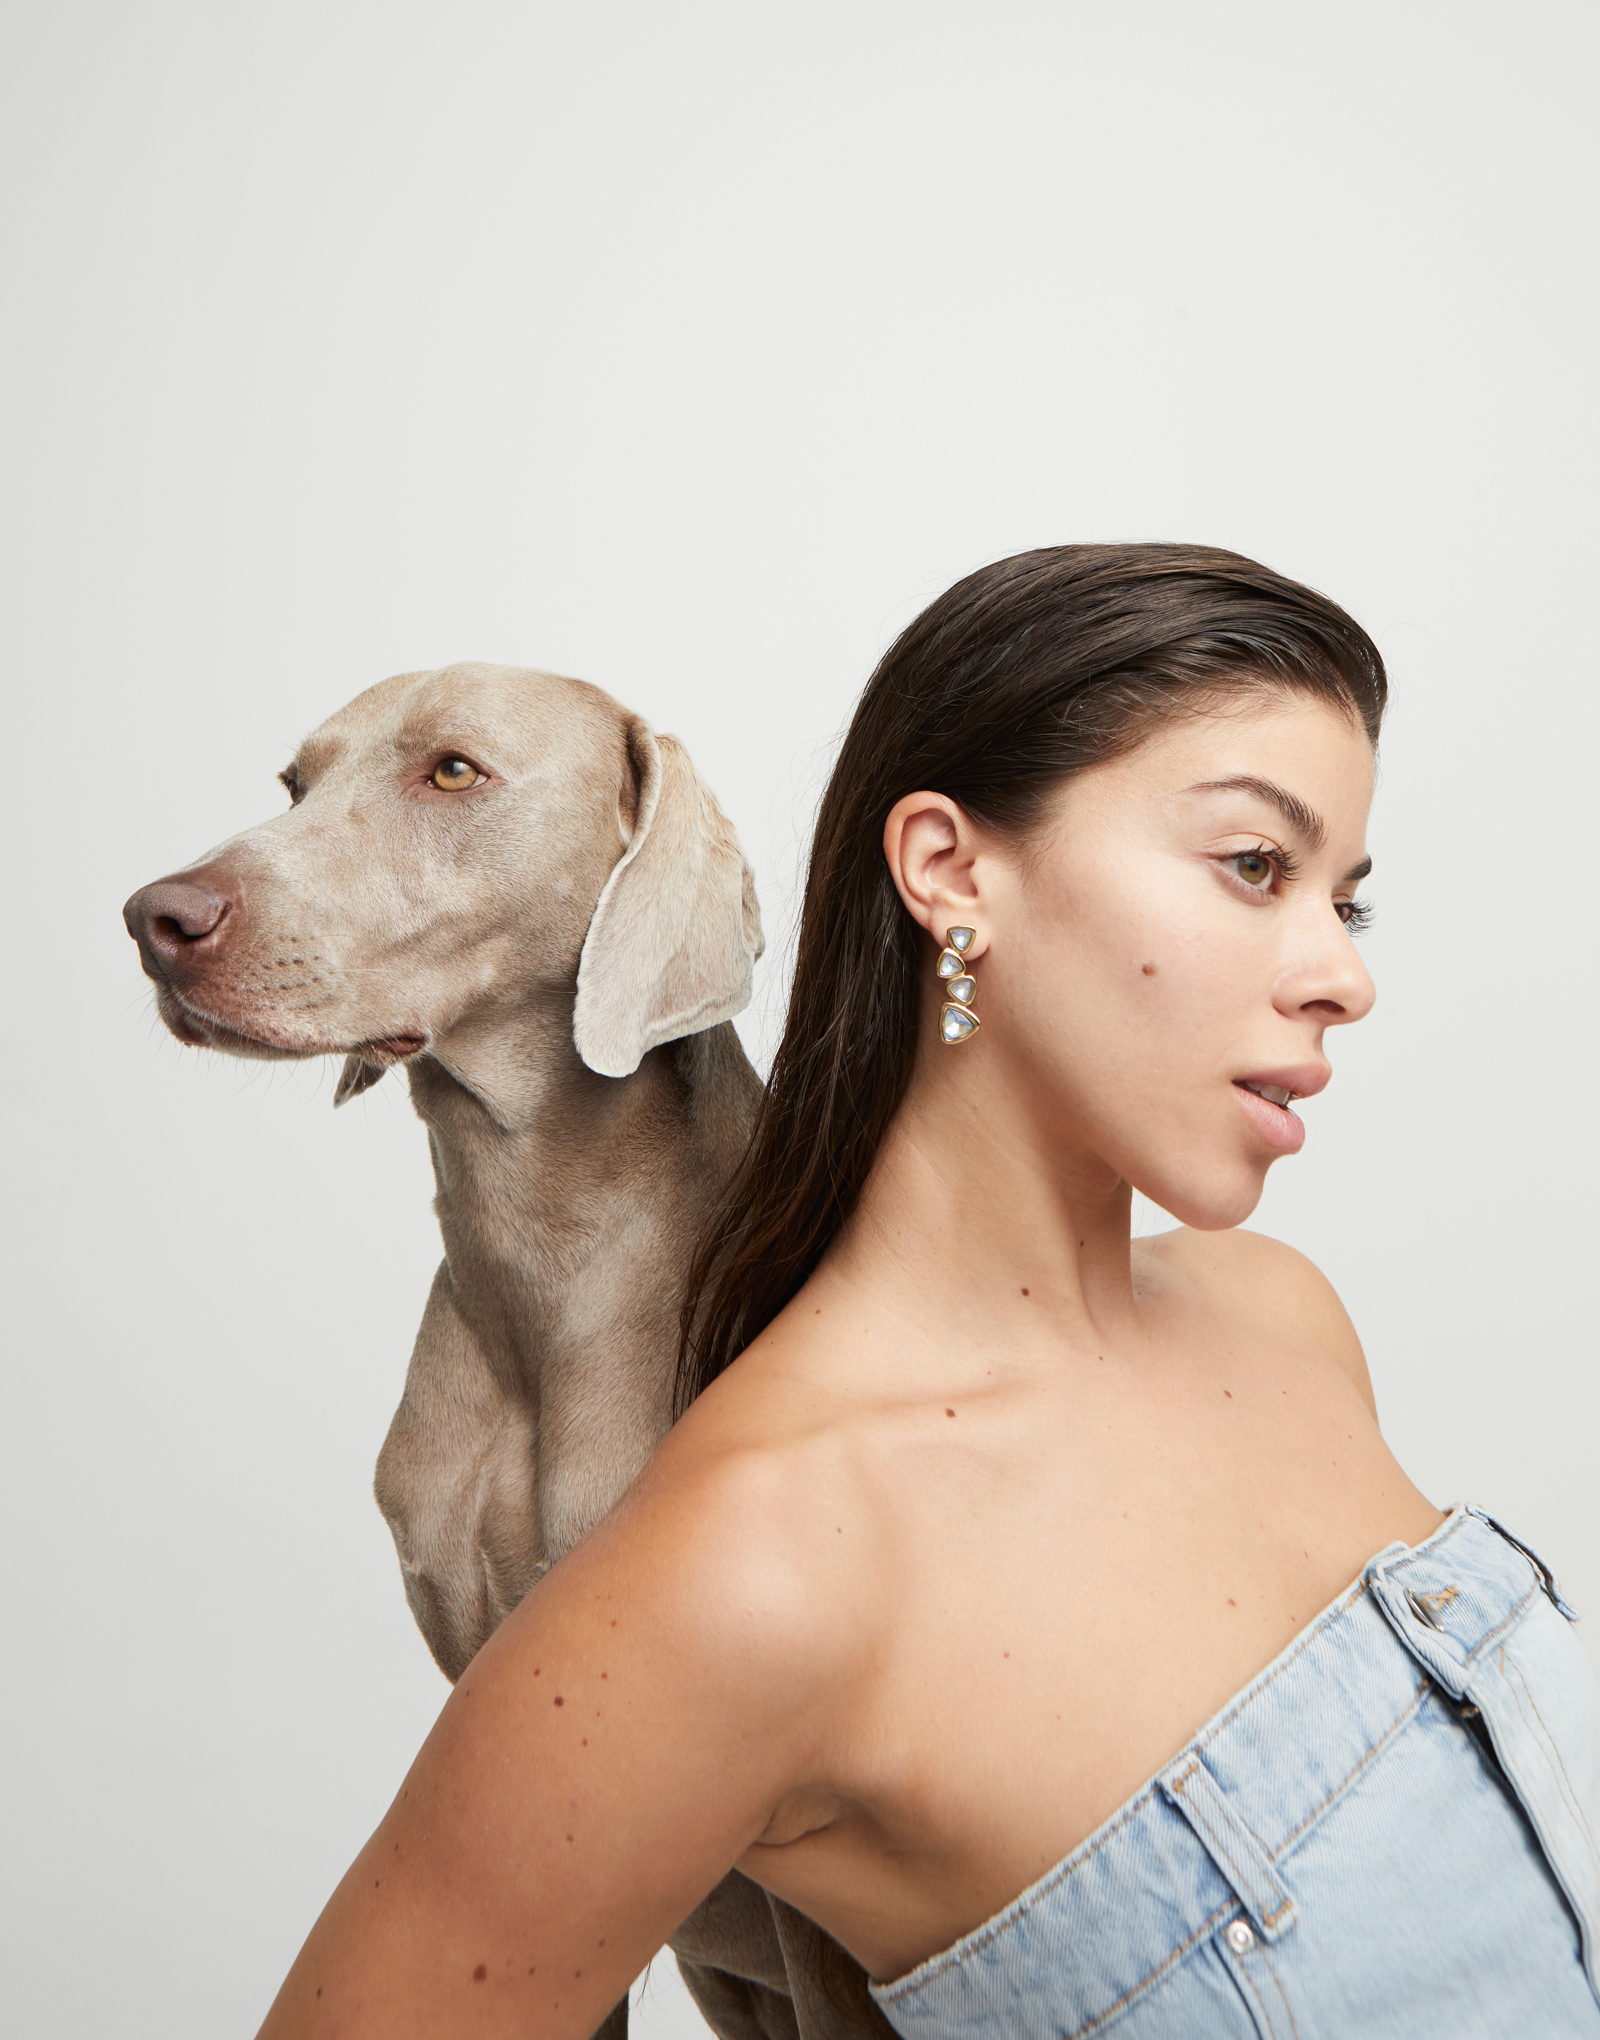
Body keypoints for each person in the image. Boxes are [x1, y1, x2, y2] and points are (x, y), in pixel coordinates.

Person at [258, 545, 1600, 2038]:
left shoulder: (1281, 1318)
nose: (1342, 975)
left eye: (1347, 899)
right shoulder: (752, 1568)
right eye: (1252, 865)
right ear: (953, 873)